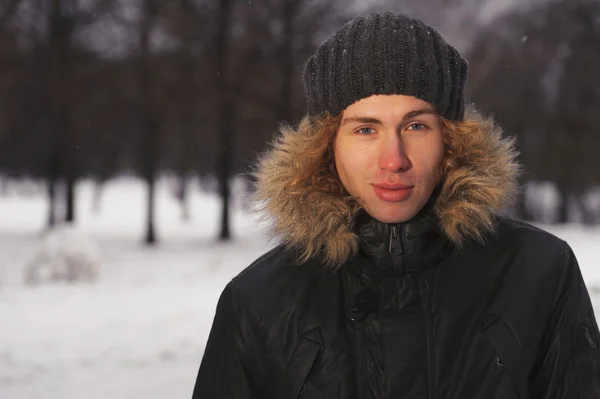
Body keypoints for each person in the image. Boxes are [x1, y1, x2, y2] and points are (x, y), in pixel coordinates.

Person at [192, 12, 600, 398]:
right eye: (366, 129)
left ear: (452, 139)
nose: (394, 159)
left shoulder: (539, 273)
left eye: (416, 126)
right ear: (326, 145)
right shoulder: (259, 302)